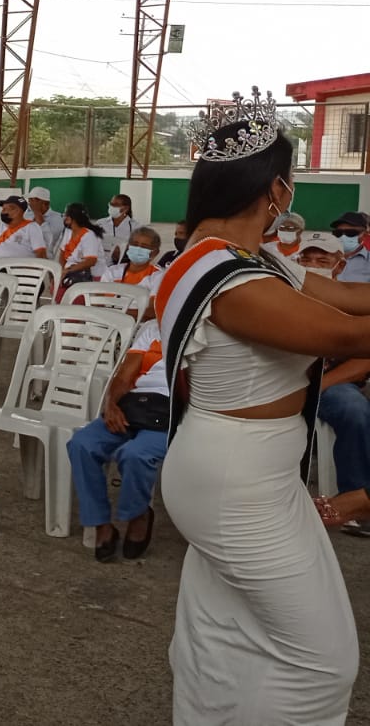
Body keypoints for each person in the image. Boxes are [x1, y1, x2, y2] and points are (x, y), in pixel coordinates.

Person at [157, 106, 370, 723]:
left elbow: (348, 295)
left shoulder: (246, 259)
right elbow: (345, 333)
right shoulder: (228, 277)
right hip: (236, 481)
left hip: (248, 472)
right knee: (323, 662)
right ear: (275, 189)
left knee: (225, 629)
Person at [66, 319, 169, 563]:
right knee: (82, 444)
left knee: (135, 454)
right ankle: (101, 523)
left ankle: (138, 514)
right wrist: (111, 405)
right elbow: (124, 375)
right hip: (135, 405)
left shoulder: (204, 333)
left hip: (169, 413)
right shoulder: (152, 329)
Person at [303, 237, 370, 537]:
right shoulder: (282, 297)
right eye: (307, 259)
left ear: (340, 265)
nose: (312, 266)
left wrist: (319, 385)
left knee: (353, 408)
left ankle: (357, 499)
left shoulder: (352, 302)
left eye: (322, 261)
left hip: (332, 383)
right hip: (283, 382)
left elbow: (364, 360)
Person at [0, 195, 46, 270]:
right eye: (3, 209)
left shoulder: (32, 227)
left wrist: (41, 271)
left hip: (19, 270)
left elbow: (41, 253)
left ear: (18, 211)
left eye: (6, 209)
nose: (3, 211)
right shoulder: (1, 227)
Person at [55, 202, 105, 288]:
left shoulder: (89, 235)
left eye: (65, 215)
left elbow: (91, 261)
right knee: (56, 285)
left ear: (71, 218)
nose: (64, 217)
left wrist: (68, 271)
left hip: (91, 276)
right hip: (72, 272)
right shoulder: (68, 231)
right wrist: (62, 271)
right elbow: (62, 254)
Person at [100, 225, 165, 293]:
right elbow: (99, 296)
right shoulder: (112, 272)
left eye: (144, 246)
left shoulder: (158, 277)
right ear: (128, 247)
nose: (138, 248)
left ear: (155, 252)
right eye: (135, 244)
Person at [330, 211, 370, 283]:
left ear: (364, 235)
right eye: (338, 233)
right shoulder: (321, 256)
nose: (343, 237)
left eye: (351, 233)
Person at [26, 186, 65, 254]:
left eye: (32, 200)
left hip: (45, 257)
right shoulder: (27, 215)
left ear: (45, 203)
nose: (29, 203)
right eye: (29, 200)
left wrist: (37, 212)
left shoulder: (58, 219)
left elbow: (48, 239)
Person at [103, 192, 139, 263]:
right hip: (103, 262)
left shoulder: (136, 226)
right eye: (111, 204)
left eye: (116, 205)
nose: (112, 207)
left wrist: (124, 248)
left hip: (124, 262)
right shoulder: (100, 223)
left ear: (126, 208)